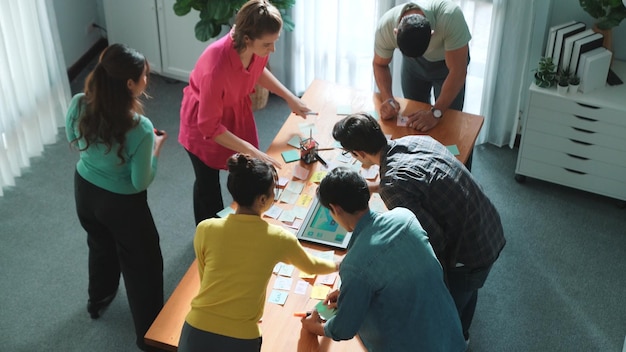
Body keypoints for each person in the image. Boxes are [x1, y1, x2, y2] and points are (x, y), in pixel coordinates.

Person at [332, 113, 506, 346]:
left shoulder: (393, 185)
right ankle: (463, 332)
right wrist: (373, 187)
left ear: (359, 154)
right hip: (488, 225)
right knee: (469, 292)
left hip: (468, 254)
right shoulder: (415, 141)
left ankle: (457, 338)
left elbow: (431, 242)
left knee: (450, 306)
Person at [178, 153, 338, 352]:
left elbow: (206, 280)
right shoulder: (278, 237)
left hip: (196, 328)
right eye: (274, 192)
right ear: (262, 199)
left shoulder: (205, 228)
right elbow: (311, 266)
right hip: (240, 337)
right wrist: (338, 264)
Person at [66, 43, 166, 351]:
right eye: (144, 76)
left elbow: (72, 138)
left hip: (84, 191)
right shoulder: (141, 129)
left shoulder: (80, 102)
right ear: (129, 84)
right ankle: (149, 337)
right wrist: (155, 150)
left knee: (99, 246)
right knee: (144, 267)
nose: (147, 80)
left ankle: (99, 299)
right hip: (122, 205)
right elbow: (139, 182)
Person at [299, 167, 466, 352]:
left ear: (336, 209)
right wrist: (352, 293)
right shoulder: (405, 217)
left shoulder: (354, 267)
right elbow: (397, 271)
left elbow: (344, 329)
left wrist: (314, 327)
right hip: (448, 333)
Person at [179, 0, 311, 225]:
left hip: (235, 114)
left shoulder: (256, 47)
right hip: (204, 123)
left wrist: (290, 97)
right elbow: (209, 127)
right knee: (207, 186)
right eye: (268, 44)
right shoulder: (216, 67)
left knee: (244, 177)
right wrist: (251, 150)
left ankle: (243, 225)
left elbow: (257, 72)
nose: (272, 49)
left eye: (274, 42)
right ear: (248, 39)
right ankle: (208, 233)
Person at [373, 1, 471, 132]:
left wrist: (436, 113)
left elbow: (458, 71)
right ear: (395, 32)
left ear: (432, 34)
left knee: (448, 120)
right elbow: (379, 64)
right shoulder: (385, 27)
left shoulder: (450, 17)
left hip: (449, 66)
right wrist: (388, 99)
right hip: (412, 68)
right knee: (414, 119)